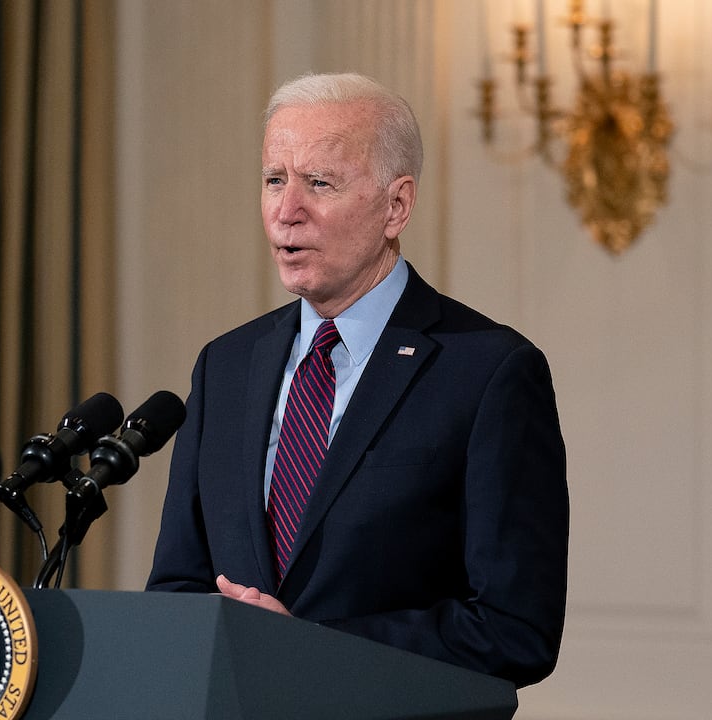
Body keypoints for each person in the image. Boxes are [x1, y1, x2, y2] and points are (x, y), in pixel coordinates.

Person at [146, 72, 568, 688]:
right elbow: (179, 586)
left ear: (396, 206)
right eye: (273, 180)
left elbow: (515, 628)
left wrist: (309, 648)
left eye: (319, 183)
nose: (287, 212)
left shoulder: (488, 372)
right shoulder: (226, 366)